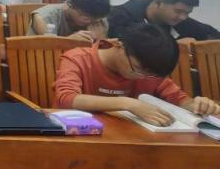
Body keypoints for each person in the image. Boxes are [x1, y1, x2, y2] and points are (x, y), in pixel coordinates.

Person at [54, 23, 219, 123]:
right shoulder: (78, 59)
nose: (143, 77)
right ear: (120, 46)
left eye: (150, 75)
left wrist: (197, 105)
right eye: (137, 70)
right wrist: (129, 104)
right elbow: (67, 98)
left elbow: (179, 98)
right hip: (79, 133)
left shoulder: (149, 71)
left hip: (128, 139)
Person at [107, 0, 220, 41]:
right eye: (178, 11)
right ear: (159, 2)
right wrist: (178, 47)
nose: (183, 17)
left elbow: (212, 35)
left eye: (188, 13)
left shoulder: (179, 21)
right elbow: (132, 49)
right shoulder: (121, 17)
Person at [29, 0, 110, 42]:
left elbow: (101, 51)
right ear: (69, 4)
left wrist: (99, 40)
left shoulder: (98, 19)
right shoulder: (45, 17)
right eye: (86, 18)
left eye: (94, 19)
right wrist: (69, 41)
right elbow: (49, 47)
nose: (90, 22)